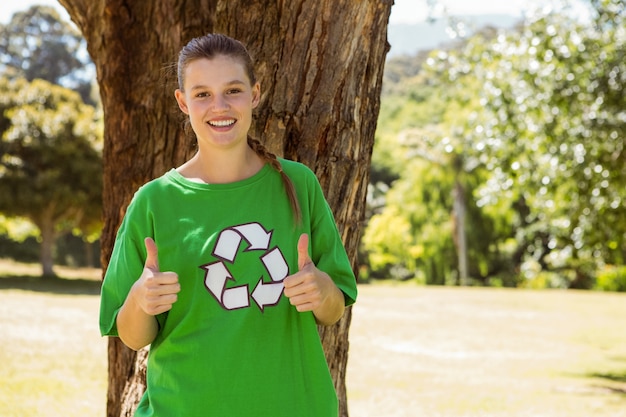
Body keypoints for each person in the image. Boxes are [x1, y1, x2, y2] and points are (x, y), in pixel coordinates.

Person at [99, 33, 357, 417]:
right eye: (202, 94)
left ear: (254, 94)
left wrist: (321, 291)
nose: (219, 106)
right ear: (183, 102)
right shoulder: (153, 202)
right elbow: (133, 336)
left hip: (292, 407)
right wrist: (140, 300)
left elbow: (333, 309)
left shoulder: (299, 185)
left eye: (232, 90)